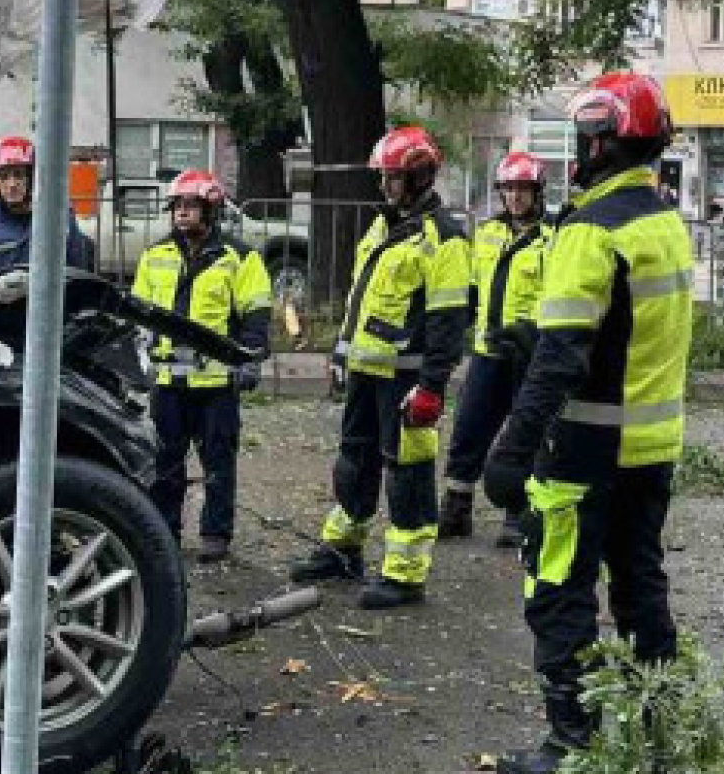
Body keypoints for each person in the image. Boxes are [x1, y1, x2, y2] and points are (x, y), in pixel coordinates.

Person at [481, 72, 694, 774]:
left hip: (581, 451)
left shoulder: (588, 229)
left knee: (559, 589)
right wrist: (529, 336)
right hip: (650, 447)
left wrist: (511, 448)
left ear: (602, 140)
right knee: (639, 589)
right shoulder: (661, 220)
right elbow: (619, 330)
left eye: (583, 136)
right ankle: (656, 735)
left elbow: (568, 356)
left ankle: (572, 744)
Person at [290, 126, 472, 609]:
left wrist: (433, 386)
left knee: (407, 471)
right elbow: (360, 299)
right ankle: (344, 547)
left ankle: (406, 574)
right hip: (368, 372)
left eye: (393, 177)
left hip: (408, 379)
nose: (385, 186)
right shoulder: (384, 225)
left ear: (419, 176)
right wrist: (341, 353)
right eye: (384, 177)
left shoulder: (444, 238)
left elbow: (449, 321)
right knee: (354, 460)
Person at [130, 169, 272, 563]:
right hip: (166, 379)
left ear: (210, 210)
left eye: (191, 206)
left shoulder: (239, 258)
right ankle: (164, 530)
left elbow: (256, 313)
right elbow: (139, 314)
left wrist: (251, 359)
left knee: (218, 460)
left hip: (216, 380)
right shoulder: (155, 256)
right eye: (177, 206)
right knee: (164, 462)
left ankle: (215, 534)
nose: (182, 214)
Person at [440, 149, 551, 547]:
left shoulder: (553, 239)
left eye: (523, 190)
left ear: (538, 192)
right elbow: (472, 290)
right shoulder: (487, 234)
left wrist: (530, 332)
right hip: (488, 352)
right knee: (469, 428)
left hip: (529, 354)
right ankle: (457, 506)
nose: (516, 198)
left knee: (525, 433)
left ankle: (516, 512)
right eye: (509, 190)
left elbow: (557, 297)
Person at [0, 135, 94, 288]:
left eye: (18, 175)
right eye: (4, 177)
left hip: (45, 309)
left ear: (32, 178)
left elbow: (79, 278)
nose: (12, 184)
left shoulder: (59, 217)